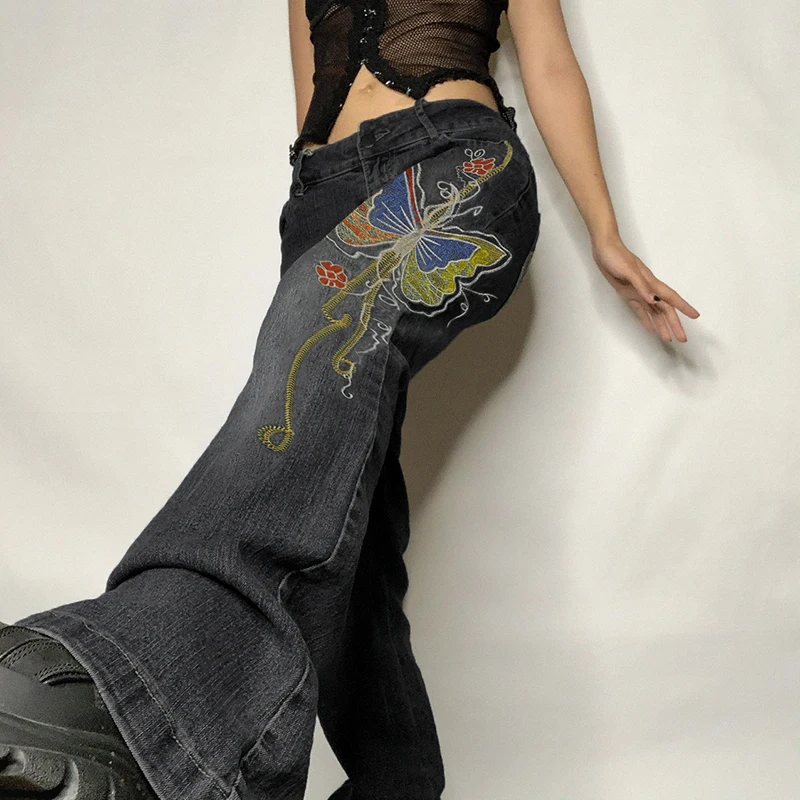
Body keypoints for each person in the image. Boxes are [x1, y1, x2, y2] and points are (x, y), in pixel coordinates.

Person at [0, 1, 700, 798]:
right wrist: (310, 219)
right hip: (324, 191)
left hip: (456, 161)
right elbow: (315, 109)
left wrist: (606, 232)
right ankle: (399, 783)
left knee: (307, 405)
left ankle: (130, 689)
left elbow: (547, 63)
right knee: (342, 513)